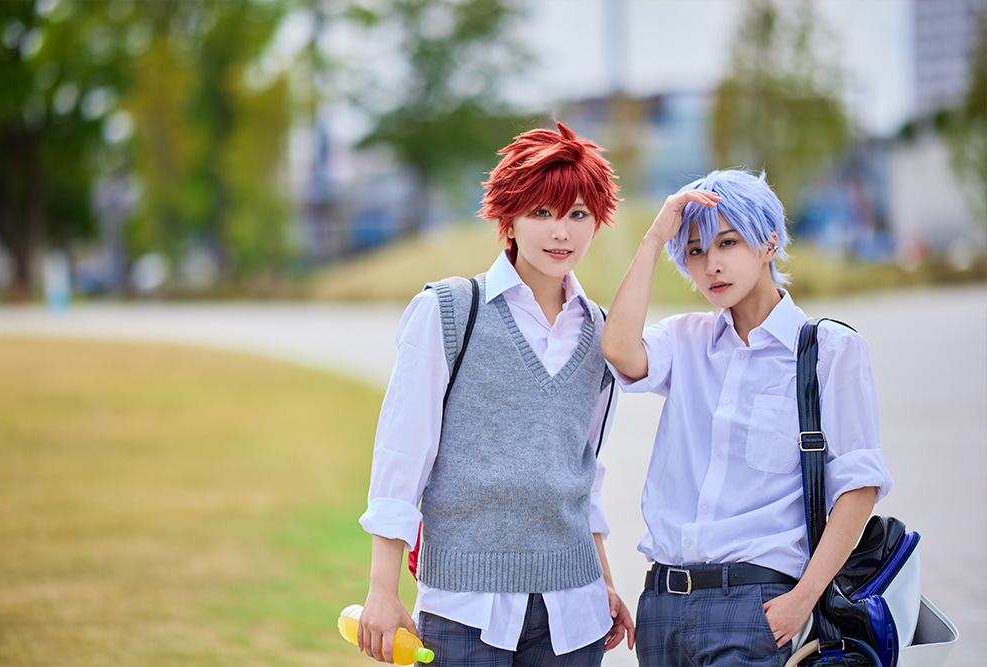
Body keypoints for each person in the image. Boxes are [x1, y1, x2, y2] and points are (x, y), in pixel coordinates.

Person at [357, 121, 636, 666]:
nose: (562, 232)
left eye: (579, 214)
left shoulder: (602, 333)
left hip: (575, 612)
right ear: (509, 219)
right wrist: (382, 589)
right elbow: (402, 454)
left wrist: (604, 580)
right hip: (465, 609)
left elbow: (585, 471)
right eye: (543, 212)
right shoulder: (448, 311)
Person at [600, 168, 892, 667]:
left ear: (769, 242)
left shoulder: (828, 349)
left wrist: (803, 599)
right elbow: (619, 350)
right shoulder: (685, 340)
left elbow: (858, 486)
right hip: (663, 606)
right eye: (695, 251)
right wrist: (653, 239)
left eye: (728, 243)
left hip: (756, 604)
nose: (711, 265)